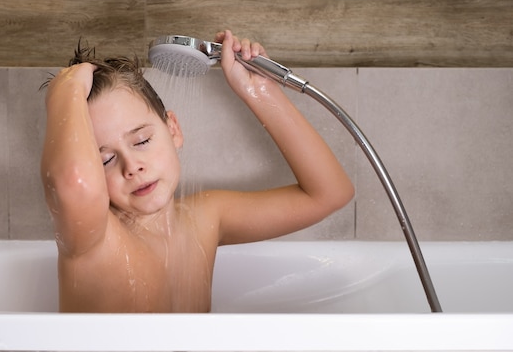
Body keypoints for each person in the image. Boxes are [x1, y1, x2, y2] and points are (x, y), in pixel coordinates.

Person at [41, 30, 354, 312]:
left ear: (173, 129)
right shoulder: (93, 238)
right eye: (105, 160)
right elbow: (75, 183)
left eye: (143, 140)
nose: (132, 167)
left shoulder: (204, 218)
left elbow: (329, 194)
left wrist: (261, 92)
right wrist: (65, 90)